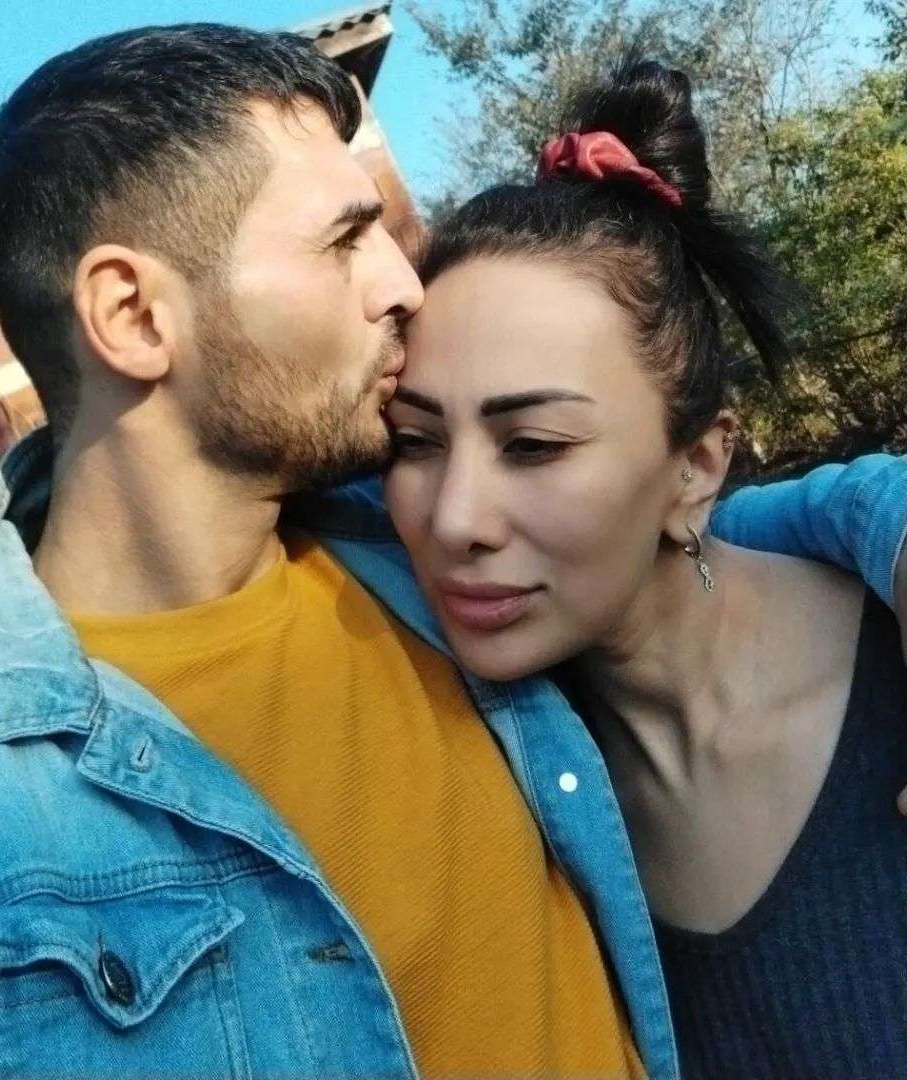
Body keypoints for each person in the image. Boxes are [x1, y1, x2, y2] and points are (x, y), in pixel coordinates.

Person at [0, 27, 901, 1080]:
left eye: (529, 446)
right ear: (135, 313)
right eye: (345, 240)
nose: (403, 284)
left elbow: (687, 532)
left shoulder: (415, 562)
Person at [380, 57, 907, 1079]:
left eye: (534, 445)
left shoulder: (883, 653)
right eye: (413, 442)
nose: (454, 520)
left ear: (696, 466)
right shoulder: (504, 782)